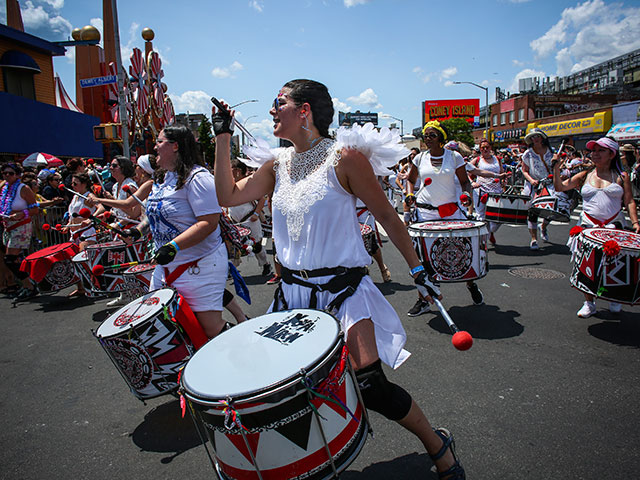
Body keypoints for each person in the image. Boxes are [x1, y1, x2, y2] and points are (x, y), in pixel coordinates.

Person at [213, 80, 465, 480]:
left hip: (344, 291)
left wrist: (419, 270)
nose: (272, 111)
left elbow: (387, 217)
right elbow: (226, 195)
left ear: (305, 111)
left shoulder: (344, 159)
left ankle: (438, 446)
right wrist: (222, 135)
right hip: (292, 296)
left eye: (280, 103)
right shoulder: (276, 164)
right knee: (293, 393)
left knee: (370, 385)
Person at [125, 126, 229, 339]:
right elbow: (156, 214)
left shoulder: (198, 178)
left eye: (159, 141)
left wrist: (174, 246)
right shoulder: (161, 179)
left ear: (175, 146)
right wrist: (139, 229)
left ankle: (241, 355)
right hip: (166, 267)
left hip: (200, 264)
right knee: (166, 322)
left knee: (208, 328)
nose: (154, 147)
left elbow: (209, 222)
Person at [553, 137, 639, 317]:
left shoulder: (621, 176)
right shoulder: (585, 174)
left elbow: (629, 200)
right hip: (588, 225)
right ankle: (589, 302)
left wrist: (636, 223)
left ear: (611, 154)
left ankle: (614, 298)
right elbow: (560, 187)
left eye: (600, 150)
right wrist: (555, 168)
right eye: (594, 151)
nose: (595, 154)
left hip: (614, 226)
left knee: (615, 264)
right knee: (587, 264)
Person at [405, 121, 484, 316]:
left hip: (450, 212)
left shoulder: (454, 157)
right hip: (425, 213)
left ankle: (470, 282)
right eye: (426, 135)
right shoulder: (420, 159)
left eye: (432, 135)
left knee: (460, 250)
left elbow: (465, 182)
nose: (428, 139)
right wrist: (409, 194)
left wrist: (466, 197)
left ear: (441, 137)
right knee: (423, 257)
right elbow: (410, 180)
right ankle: (423, 299)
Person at [226, 157, 273, 278]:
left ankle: (265, 264)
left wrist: (256, 214)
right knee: (234, 245)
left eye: (230, 169)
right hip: (234, 222)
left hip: (250, 220)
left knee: (256, 245)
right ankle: (232, 269)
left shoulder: (249, 183)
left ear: (237, 170)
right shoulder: (228, 184)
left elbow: (262, 198)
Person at [1, 163, 39, 300]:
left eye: (10, 173)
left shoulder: (24, 189)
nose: (6, 176)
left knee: (10, 259)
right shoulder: (4, 188)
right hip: (8, 227)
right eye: (4, 173)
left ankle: (29, 285)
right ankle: (28, 283)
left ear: (17, 175)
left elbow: (35, 209)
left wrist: (22, 213)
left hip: (21, 226)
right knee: (15, 259)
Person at [64, 173, 98, 297]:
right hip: (73, 232)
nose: (72, 186)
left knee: (84, 260)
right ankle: (81, 288)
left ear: (84, 184)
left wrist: (90, 219)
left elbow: (101, 208)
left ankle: (93, 287)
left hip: (86, 232)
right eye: (72, 183)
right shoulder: (75, 197)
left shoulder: (89, 196)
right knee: (74, 260)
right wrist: (67, 224)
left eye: (75, 183)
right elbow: (72, 214)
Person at [521, 128, 554, 249]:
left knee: (552, 210)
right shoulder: (527, 154)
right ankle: (534, 239)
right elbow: (524, 170)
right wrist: (531, 180)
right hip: (534, 185)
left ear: (542, 138)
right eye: (533, 137)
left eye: (537, 136)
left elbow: (556, 167)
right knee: (532, 212)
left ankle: (544, 226)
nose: (535, 139)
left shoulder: (551, 151)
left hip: (549, 184)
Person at [470, 139, 504, 245]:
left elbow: (501, 172)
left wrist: (504, 181)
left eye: (487, 147)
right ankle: (482, 243)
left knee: (498, 217)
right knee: (481, 217)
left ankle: (490, 232)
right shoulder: (477, 160)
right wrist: (472, 182)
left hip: (496, 191)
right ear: (480, 149)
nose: (485, 149)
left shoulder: (497, 159)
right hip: (481, 191)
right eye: (482, 147)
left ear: (490, 148)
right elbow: (466, 171)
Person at [93, 156, 141, 222]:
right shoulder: (115, 186)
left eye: (114, 166)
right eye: (110, 165)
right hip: (119, 225)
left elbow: (134, 214)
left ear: (123, 168)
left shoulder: (130, 187)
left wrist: (109, 200)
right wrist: (107, 215)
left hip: (130, 227)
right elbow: (118, 210)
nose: (110, 168)